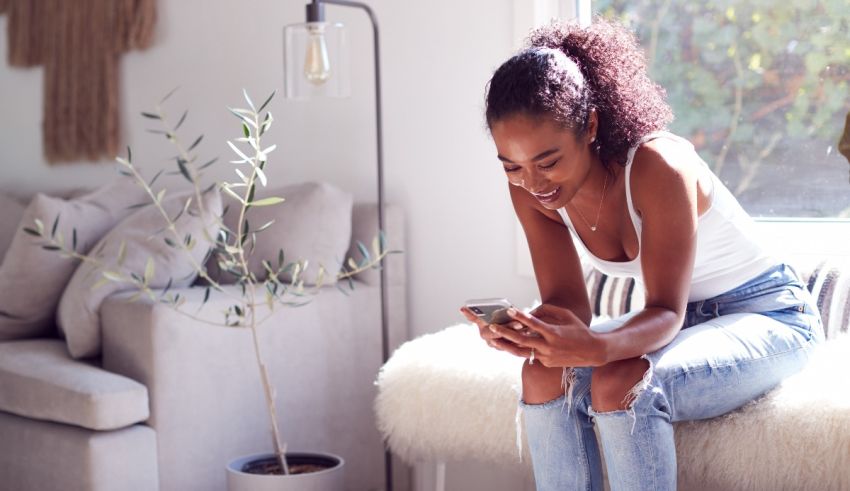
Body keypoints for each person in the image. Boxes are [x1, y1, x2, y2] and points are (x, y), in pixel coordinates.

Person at [459, 17, 824, 491]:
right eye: (512, 166)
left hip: (769, 314)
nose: (533, 182)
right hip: (685, 322)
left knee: (622, 384)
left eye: (548, 162)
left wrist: (598, 347)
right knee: (543, 377)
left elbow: (665, 313)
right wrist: (535, 334)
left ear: (589, 125)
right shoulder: (531, 191)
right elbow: (570, 305)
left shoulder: (658, 166)